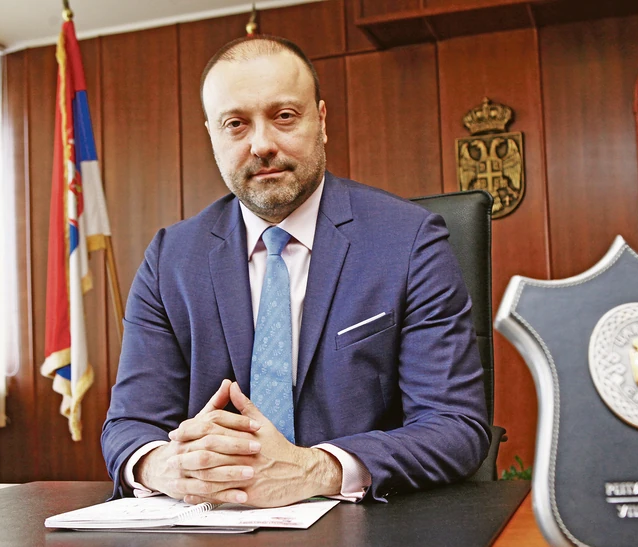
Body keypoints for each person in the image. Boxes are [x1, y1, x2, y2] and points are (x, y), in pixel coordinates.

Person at [101, 35, 489, 508]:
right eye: (235, 124)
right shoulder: (170, 259)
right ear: (212, 136)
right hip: (214, 532)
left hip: (364, 529)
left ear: (321, 122)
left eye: (284, 116)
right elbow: (129, 426)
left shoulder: (409, 241)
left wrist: (314, 470)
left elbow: (455, 426)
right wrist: (167, 465)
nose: (262, 145)